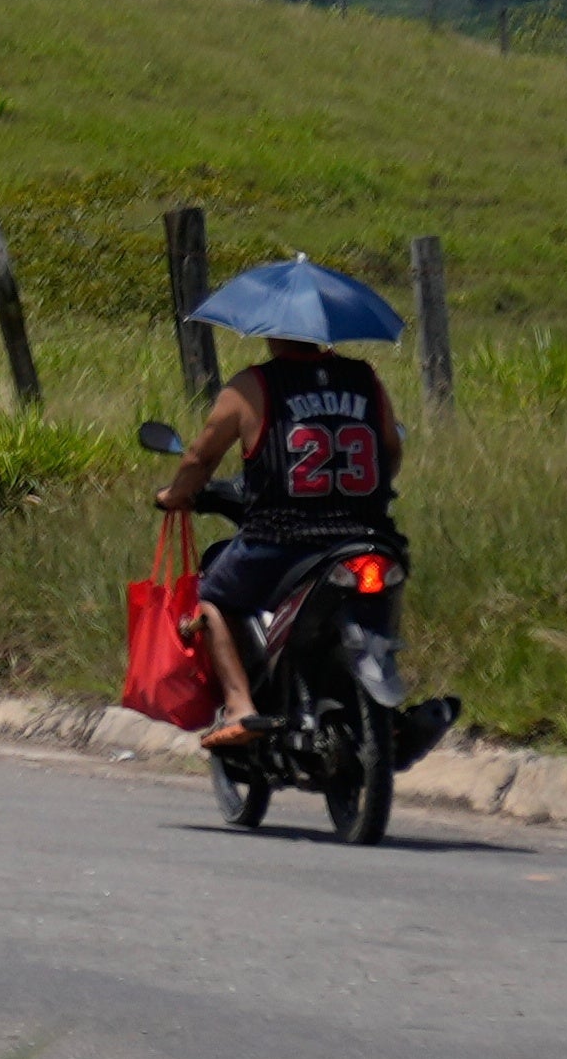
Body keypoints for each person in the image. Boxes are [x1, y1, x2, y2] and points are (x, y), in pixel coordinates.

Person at [153, 308, 405, 746]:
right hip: (367, 538)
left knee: (212, 593)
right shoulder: (365, 378)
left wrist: (175, 496)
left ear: (271, 330)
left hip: (282, 540)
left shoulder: (252, 386)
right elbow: (390, 451)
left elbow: (199, 459)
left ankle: (239, 706)